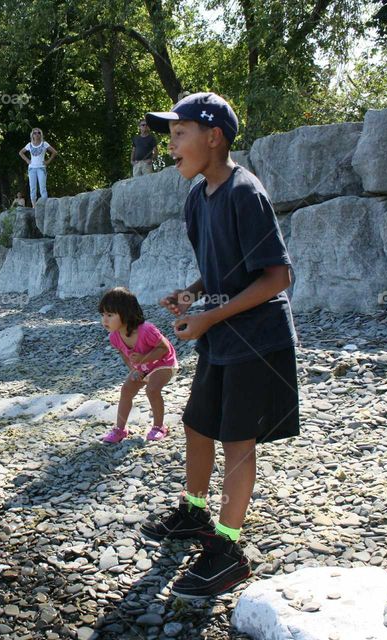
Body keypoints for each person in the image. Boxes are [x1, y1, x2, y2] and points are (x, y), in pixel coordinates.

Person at [142, 92, 299, 599]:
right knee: (197, 423)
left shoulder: (244, 193)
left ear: (214, 137)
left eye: (180, 134)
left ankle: (228, 549)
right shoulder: (197, 198)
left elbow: (277, 277)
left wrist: (207, 316)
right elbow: (221, 271)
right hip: (220, 335)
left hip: (257, 341)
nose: (171, 147)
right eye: (170, 137)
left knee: (237, 440)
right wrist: (193, 294)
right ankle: (194, 511)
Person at [98, 287, 178, 444]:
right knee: (126, 390)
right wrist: (134, 369)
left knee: (152, 390)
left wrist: (144, 358)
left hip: (163, 363)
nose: (104, 320)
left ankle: (159, 427)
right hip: (142, 366)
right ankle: (120, 429)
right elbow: (124, 354)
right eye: (102, 315)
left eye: (109, 315)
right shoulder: (114, 337)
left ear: (126, 313)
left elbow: (164, 348)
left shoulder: (146, 330)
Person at [18, 128, 57, 205]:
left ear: (41, 134)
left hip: (41, 168)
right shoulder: (29, 145)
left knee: (43, 188)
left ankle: (44, 205)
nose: (37, 134)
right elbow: (21, 152)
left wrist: (48, 161)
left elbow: (54, 152)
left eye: (39, 133)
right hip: (32, 168)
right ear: (32, 135)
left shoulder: (44, 144)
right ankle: (34, 207)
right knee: (33, 188)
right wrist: (27, 160)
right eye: (35, 133)